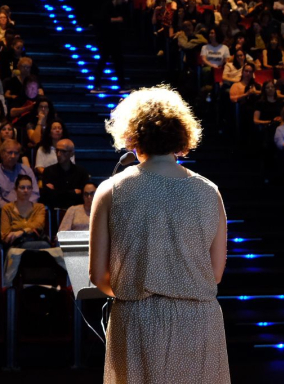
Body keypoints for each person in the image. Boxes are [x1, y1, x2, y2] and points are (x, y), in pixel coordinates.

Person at [90, 86, 229, 383]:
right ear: (181, 135)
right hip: (199, 321)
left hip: (138, 320)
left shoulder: (110, 191)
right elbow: (215, 273)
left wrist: (137, 292)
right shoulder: (209, 192)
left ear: (132, 135)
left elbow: (98, 275)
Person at [0, 139, 38, 210]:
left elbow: (35, 193)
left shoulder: (26, 171)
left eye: (16, 153)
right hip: (7, 210)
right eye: (10, 152)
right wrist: (13, 209)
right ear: (2, 154)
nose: (13, 156)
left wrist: (26, 207)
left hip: (28, 208)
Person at [0, 174, 48, 248]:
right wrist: (30, 229)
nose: (26, 190)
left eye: (29, 188)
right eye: (22, 188)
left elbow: (39, 225)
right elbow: (5, 236)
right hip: (16, 245)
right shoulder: (7, 208)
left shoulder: (39, 207)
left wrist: (22, 231)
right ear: (16, 189)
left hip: (36, 241)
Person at [40, 138, 90, 209]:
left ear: (71, 153)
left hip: (76, 211)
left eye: (63, 151)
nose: (59, 154)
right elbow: (49, 196)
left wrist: (57, 192)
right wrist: (73, 193)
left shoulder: (81, 172)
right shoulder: (48, 171)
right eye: (57, 150)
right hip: (56, 211)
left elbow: (82, 196)